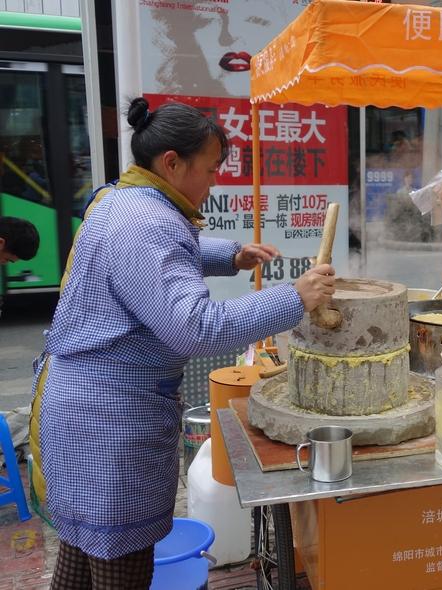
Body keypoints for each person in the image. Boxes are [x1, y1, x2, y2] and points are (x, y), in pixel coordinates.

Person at [32, 97, 335, 590]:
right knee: (118, 568)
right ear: (172, 162)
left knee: (78, 562)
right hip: (108, 427)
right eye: (211, 170)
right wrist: (293, 298)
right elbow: (197, 326)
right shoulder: (146, 223)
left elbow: (173, 252)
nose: (213, 183)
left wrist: (232, 256)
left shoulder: (125, 199)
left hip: (81, 414)